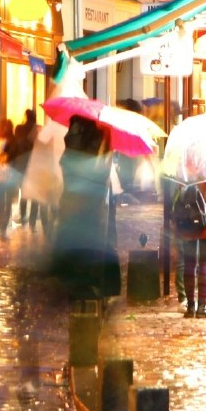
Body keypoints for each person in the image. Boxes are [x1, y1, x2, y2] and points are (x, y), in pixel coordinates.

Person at [52, 117, 119, 300]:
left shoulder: (75, 142)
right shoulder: (98, 142)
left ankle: (78, 288)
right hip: (91, 205)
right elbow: (99, 174)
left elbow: (66, 166)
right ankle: (92, 288)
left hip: (73, 203)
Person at [170, 175, 206, 317]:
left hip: (187, 220)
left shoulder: (183, 169)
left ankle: (190, 307)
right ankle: (202, 307)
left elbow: (177, 193)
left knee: (189, 263)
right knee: (205, 263)